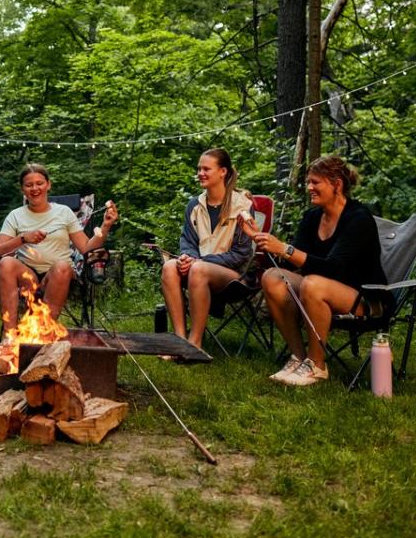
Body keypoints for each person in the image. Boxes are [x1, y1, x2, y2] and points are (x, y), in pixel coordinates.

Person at [244, 155, 386, 386]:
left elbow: (333, 267)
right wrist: (260, 239)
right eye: (308, 182)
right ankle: (299, 357)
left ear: (336, 184)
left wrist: (285, 249)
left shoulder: (358, 218)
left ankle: (317, 365)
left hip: (364, 298)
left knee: (312, 283)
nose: (309, 187)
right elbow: (291, 264)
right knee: (272, 277)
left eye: (315, 182)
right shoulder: (312, 217)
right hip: (320, 289)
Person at [0, 164, 118, 338]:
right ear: (23, 189)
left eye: (39, 183)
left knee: (62, 266)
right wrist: (23, 238)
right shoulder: (15, 215)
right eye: (29, 185)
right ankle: (10, 337)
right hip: (28, 277)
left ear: (48, 185)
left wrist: (105, 226)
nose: (35, 188)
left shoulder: (64, 213)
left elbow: (86, 248)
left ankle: (43, 335)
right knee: (6, 263)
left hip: (59, 275)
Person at [159, 148, 254, 350]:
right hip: (198, 267)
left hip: (234, 275)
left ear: (223, 172)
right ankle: (179, 340)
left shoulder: (242, 206)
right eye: (199, 169)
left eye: (206, 169)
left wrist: (200, 262)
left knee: (198, 269)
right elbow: (188, 241)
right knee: (169, 267)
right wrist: (187, 257)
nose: (200, 173)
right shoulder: (194, 205)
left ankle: (195, 344)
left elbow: (241, 254)